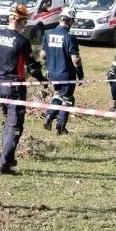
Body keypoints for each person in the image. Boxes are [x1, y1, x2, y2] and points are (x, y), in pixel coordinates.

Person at [0, 3, 48, 175]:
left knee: (8, 123)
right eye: (25, 22)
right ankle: (4, 164)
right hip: (15, 88)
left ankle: (8, 159)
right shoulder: (22, 41)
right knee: (15, 125)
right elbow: (33, 68)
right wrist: (43, 80)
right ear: (21, 21)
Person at [42, 7, 84, 135]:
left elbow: (43, 54)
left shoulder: (48, 34)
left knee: (58, 95)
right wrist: (80, 74)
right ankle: (60, 127)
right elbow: (75, 60)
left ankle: (49, 116)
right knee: (68, 99)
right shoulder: (69, 37)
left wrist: (48, 67)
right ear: (70, 20)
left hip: (52, 73)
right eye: (72, 21)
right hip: (66, 74)